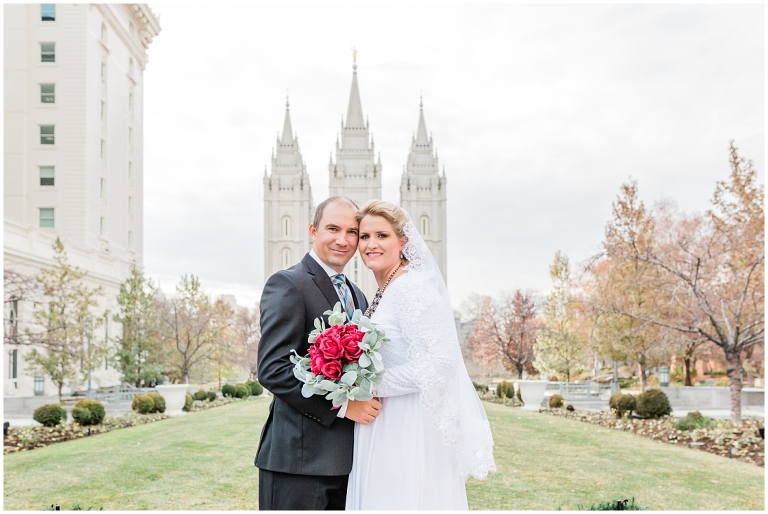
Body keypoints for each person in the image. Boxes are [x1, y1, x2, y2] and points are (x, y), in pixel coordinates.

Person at [346, 200, 496, 510]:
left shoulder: (413, 288)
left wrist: (366, 385)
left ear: (402, 241)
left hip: (407, 427)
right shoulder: (388, 289)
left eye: (382, 235)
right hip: (383, 424)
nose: (371, 244)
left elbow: (440, 364)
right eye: (364, 236)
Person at [256, 196, 383, 510]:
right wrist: (342, 407)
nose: (343, 240)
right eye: (332, 229)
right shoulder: (288, 284)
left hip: (349, 464)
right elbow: (273, 369)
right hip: (298, 463)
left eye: (352, 232)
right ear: (313, 230)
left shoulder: (358, 295)